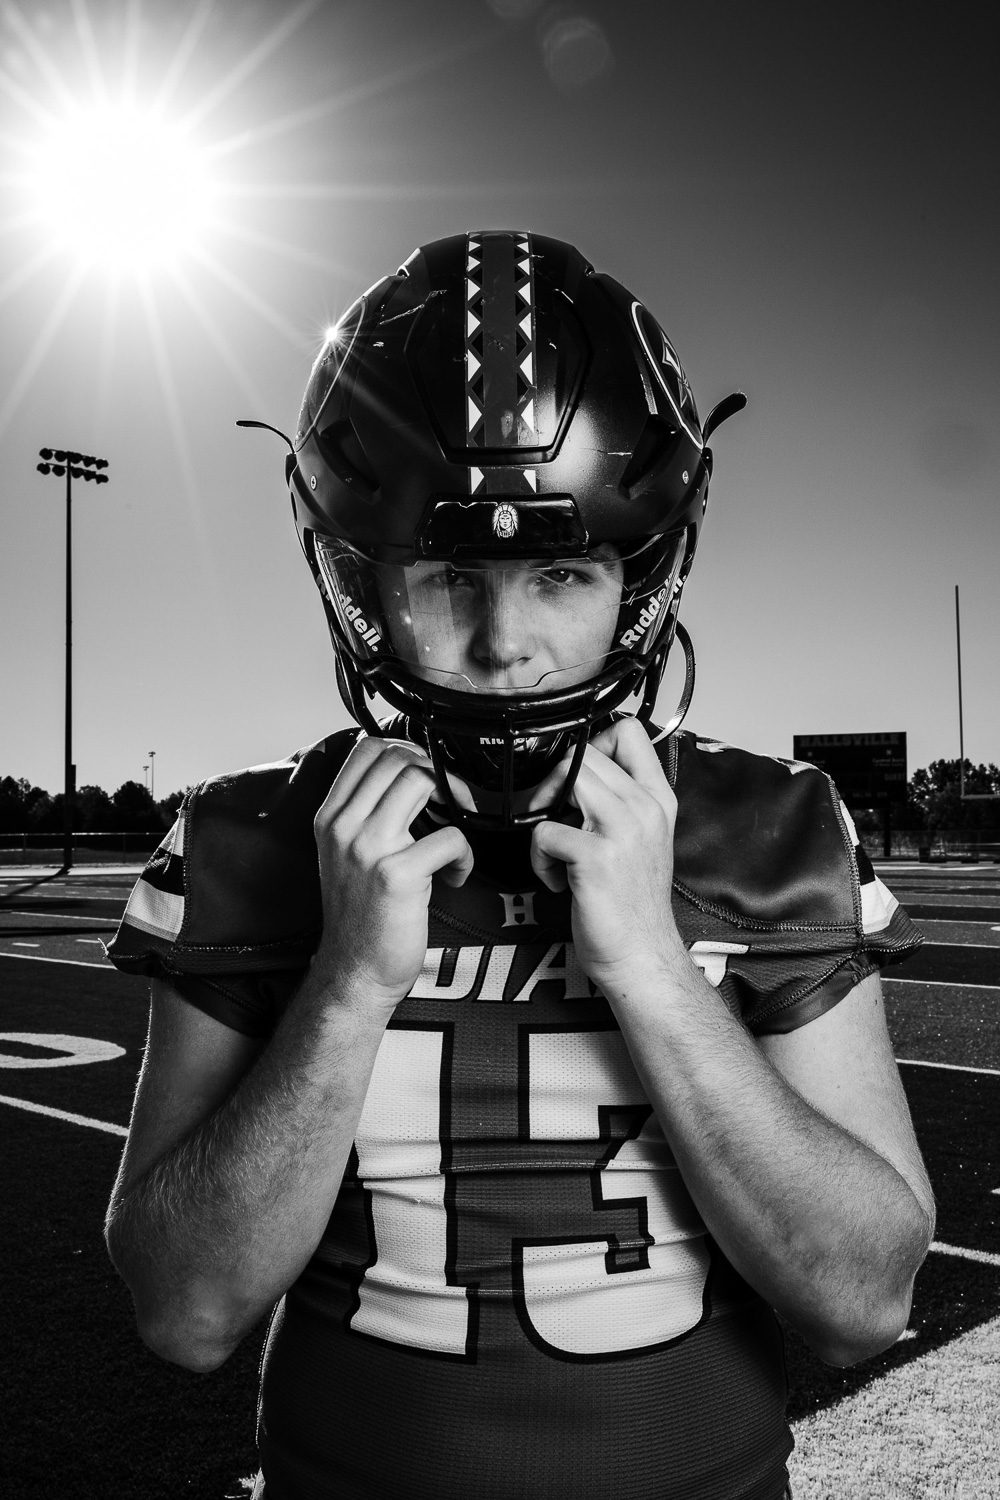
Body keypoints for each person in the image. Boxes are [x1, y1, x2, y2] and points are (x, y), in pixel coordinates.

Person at [104, 230, 935, 1500]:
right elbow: (185, 1313)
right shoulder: (245, 842)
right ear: (361, 578)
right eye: (447, 575)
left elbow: (862, 1303)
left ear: (639, 576)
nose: (504, 646)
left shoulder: (772, 828)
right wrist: (343, 988)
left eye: (559, 571)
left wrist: (654, 970)